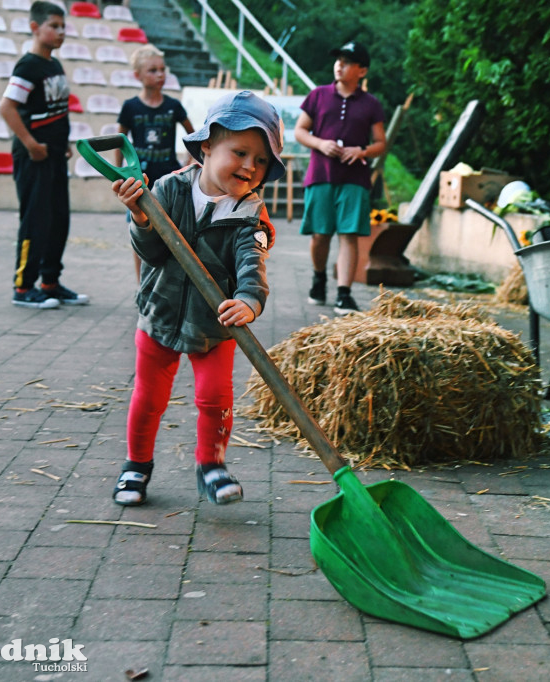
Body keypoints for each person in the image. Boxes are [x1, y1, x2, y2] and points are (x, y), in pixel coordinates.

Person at [108, 90, 285, 507]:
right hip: (160, 312)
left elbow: (251, 264)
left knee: (215, 397)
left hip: (214, 323)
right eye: (240, 152)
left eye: (261, 161)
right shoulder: (168, 190)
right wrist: (139, 217)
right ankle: (136, 465)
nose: (249, 166)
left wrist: (249, 301)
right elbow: (150, 253)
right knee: (149, 397)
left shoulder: (249, 214)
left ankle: (212, 464)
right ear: (206, 147)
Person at [0, 0, 87, 309]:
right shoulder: (28, 65)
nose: (61, 32)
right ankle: (23, 288)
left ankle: (50, 282)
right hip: (33, 157)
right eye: (54, 26)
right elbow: (7, 107)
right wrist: (30, 143)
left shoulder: (54, 65)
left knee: (58, 219)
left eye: (63, 26)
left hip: (53, 156)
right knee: (35, 220)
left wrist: (61, 142)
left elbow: (56, 110)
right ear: (35, 28)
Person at [294, 40, 386, 314]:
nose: (339, 65)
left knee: (349, 236)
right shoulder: (318, 95)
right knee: (320, 235)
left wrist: (362, 150)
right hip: (321, 175)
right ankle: (319, 277)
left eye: (346, 61)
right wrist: (321, 144)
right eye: (338, 60)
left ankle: (344, 294)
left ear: (362, 71)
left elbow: (381, 143)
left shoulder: (371, 104)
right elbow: (300, 131)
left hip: (355, 178)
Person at [116, 45, 195, 279]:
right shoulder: (130, 107)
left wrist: (185, 165)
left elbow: (193, 136)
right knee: (139, 231)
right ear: (137, 75)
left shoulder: (173, 106)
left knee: (171, 234)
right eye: (152, 70)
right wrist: (120, 175)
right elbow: (119, 142)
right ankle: (142, 284)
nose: (160, 74)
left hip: (169, 181)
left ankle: (165, 282)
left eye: (162, 69)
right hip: (140, 182)